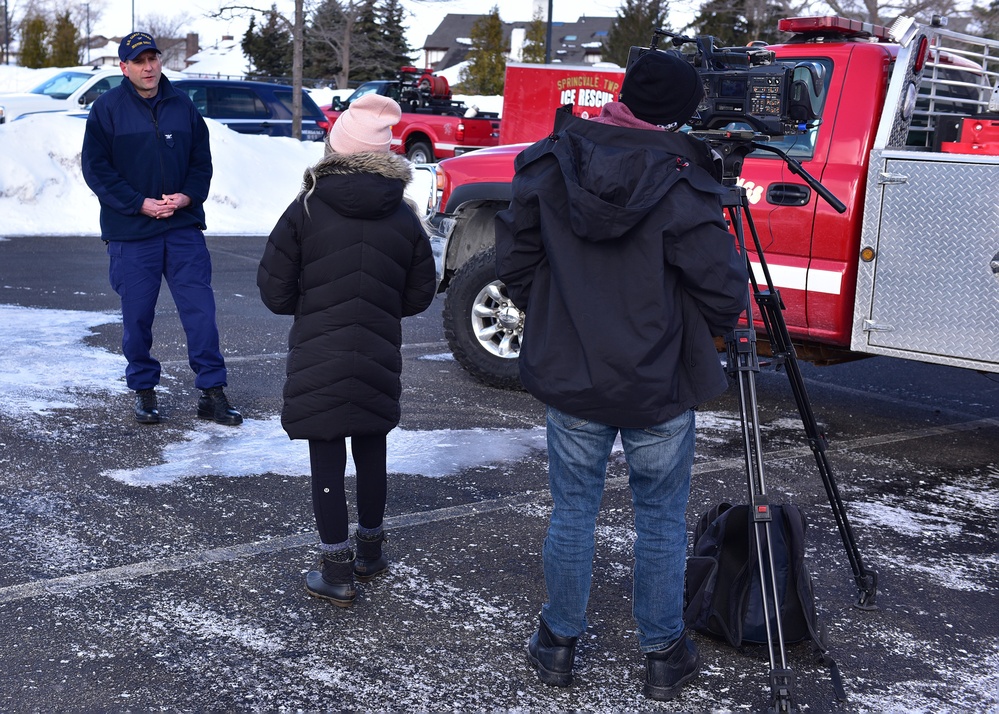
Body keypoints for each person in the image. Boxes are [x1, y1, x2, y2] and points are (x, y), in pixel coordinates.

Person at [494, 50, 750, 701]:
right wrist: (711, 326)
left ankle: (557, 643)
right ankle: (663, 652)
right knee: (660, 517)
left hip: (574, 370)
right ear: (679, 113)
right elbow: (721, 288)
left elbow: (514, 260)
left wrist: (555, 314)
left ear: (624, 95)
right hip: (657, 378)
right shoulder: (681, 178)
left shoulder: (552, 160)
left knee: (572, 510)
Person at [257, 94, 436, 608]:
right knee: (373, 448)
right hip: (377, 349)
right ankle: (371, 552)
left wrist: (312, 303)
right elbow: (420, 292)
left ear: (336, 147)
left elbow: (274, 291)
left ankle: (336, 570)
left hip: (320, 351)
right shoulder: (402, 216)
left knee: (327, 457)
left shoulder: (307, 207)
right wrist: (380, 308)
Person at [81, 32, 242, 427]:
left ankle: (212, 393)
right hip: (131, 231)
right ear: (124, 67)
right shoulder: (107, 110)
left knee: (200, 312)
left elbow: (201, 162)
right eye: (139, 61)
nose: (148, 67)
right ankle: (144, 391)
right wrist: (139, 202)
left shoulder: (182, 105)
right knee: (137, 317)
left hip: (182, 227)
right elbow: (96, 170)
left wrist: (187, 196)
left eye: (152, 58)